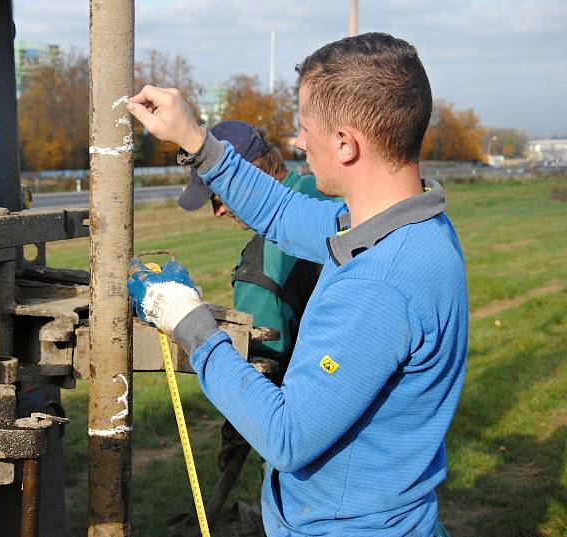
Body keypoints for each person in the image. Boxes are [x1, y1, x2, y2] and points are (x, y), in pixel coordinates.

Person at [127, 32, 465, 537]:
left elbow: (287, 435)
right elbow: (282, 212)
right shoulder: (403, 224)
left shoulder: (381, 284)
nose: (298, 142)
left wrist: (190, 324)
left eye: (306, 129)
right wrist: (195, 140)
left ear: (346, 143)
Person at [178, 120, 336, 528]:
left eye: (218, 194)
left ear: (247, 174)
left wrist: (234, 429)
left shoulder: (261, 263)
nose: (219, 211)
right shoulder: (331, 200)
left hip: (310, 444)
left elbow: (257, 369)